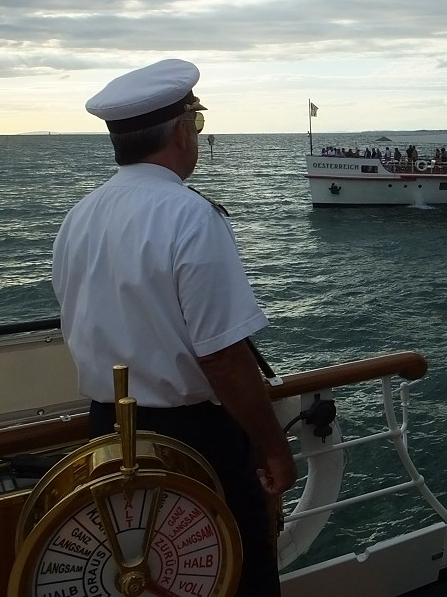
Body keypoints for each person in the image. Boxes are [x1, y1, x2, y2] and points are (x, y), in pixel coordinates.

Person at [52, 58, 295, 597]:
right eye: (198, 125)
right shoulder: (190, 216)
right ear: (183, 132)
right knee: (232, 574)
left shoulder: (80, 216)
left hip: (106, 432)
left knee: (138, 577)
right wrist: (273, 448)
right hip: (192, 441)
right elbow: (223, 358)